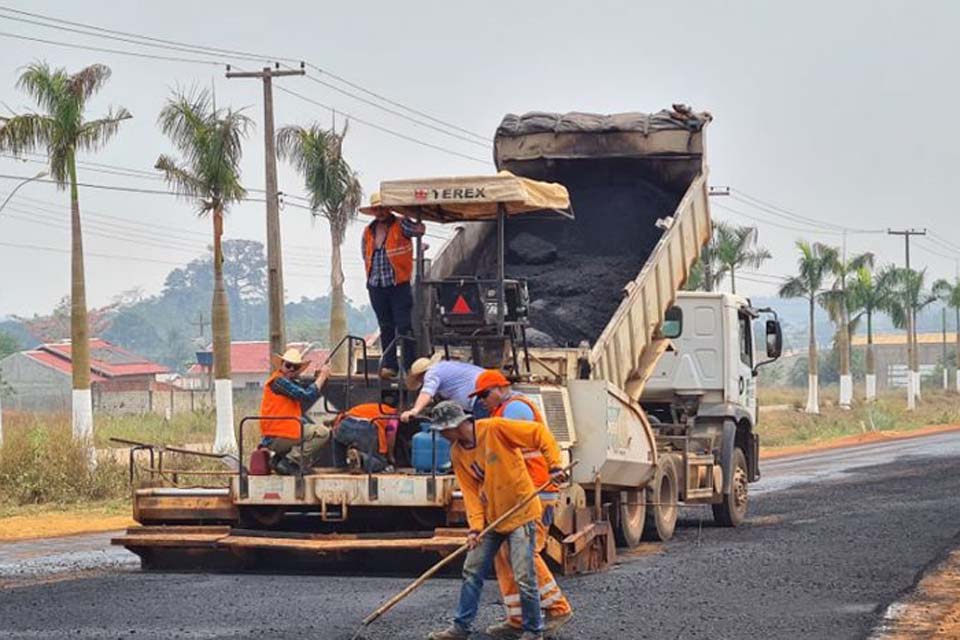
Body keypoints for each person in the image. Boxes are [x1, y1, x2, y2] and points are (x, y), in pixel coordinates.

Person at [425, 401, 564, 640]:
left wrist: (554, 465)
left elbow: (539, 433)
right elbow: (470, 493)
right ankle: (460, 627)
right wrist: (475, 528)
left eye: (443, 430)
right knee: (472, 570)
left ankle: (533, 630)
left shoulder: (495, 429)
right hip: (493, 518)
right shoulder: (457, 453)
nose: (442, 435)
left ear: (455, 425)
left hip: (521, 513)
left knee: (523, 573)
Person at [470, 370, 573, 637]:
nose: (481, 401)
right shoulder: (501, 412)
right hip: (519, 493)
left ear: (497, 389)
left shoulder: (514, 409)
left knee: (526, 553)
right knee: (504, 555)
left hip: (535, 491)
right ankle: (516, 618)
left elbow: (512, 453)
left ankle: (557, 608)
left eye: (483, 395)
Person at [360, 191, 425, 379]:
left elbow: (419, 230)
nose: (379, 212)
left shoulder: (400, 224)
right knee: (385, 325)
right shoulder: (368, 230)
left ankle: (410, 365)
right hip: (376, 285)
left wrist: (410, 216)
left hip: (398, 284)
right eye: (376, 209)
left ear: (389, 208)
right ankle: (390, 365)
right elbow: (365, 253)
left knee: (404, 325)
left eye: (382, 207)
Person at [259, 347, 332, 475]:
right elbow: (307, 395)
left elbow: (300, 396)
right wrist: (322, 377)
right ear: (281, 365)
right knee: (322, 433)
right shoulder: (279, 382)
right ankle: (290, 461)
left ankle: (279, 460)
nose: (291, 369)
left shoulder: (286, 382)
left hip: (277, 434)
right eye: (288, 365)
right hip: (279, 435)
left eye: (295, 367)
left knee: (306, 425)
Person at [400, 356, 484, 422]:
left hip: (479, 397)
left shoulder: (431, 373)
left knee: (483, 431)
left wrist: (415, 410)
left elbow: (426, 392)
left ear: (420, 376)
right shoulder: (445, 366)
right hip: (486, 391)